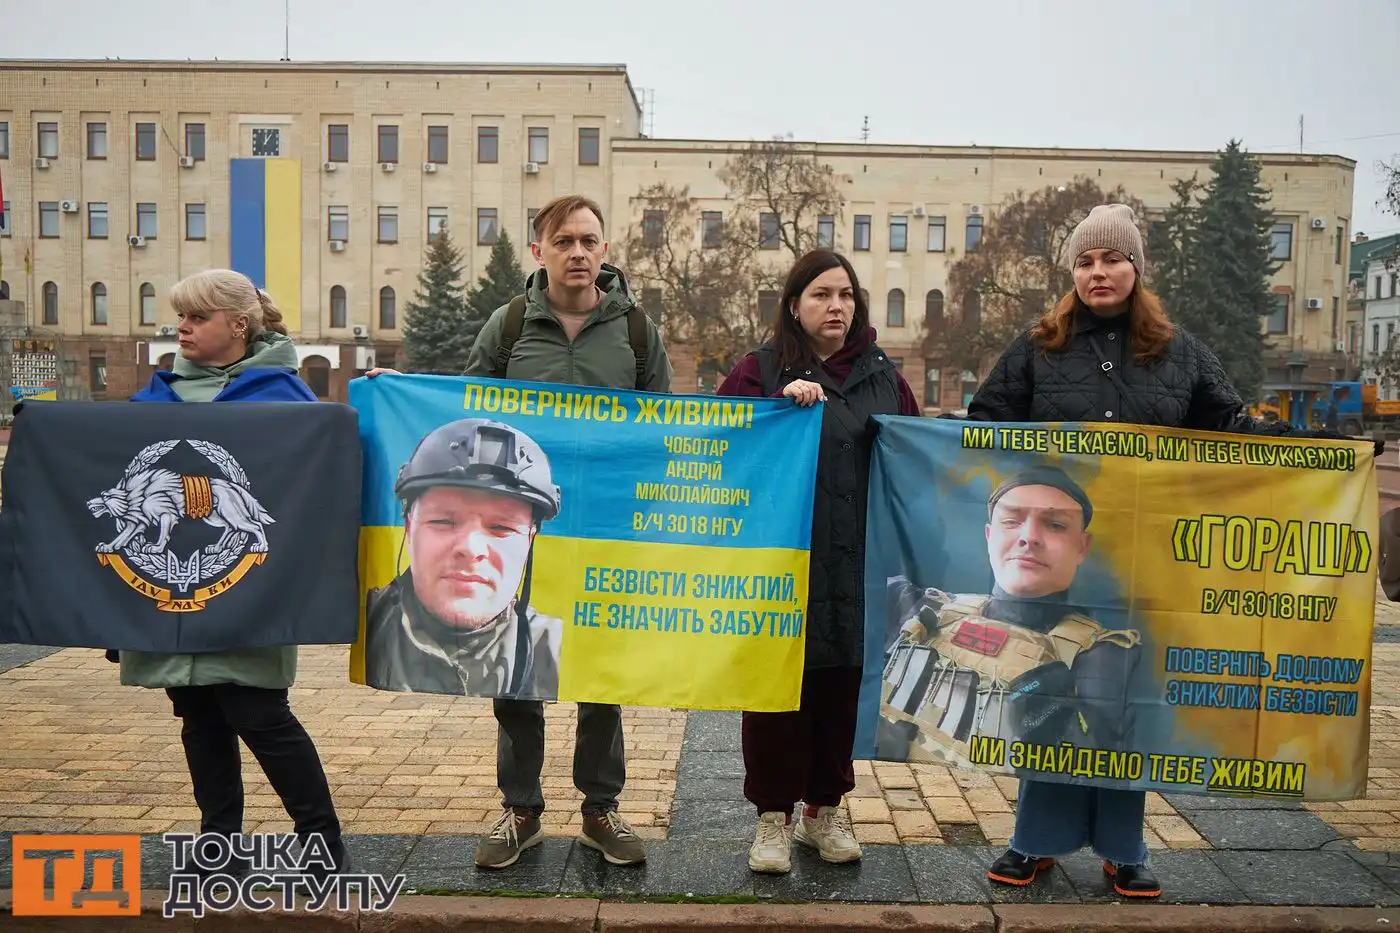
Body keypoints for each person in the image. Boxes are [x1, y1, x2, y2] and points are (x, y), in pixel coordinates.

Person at [959, 203, 1319, 899]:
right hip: (1063, 562)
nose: (1099, 272)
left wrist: (1317, 449)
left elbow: (1232, 428)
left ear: (1136, 267)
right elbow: (984, 424)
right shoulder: (1039, 345)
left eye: (1112, 259)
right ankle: (1034, 838)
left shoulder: (1178, 351)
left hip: (1147, 564)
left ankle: (1124, 848)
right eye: (1085, 262)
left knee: (1121, 705)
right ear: (1073, 273)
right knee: (1051, 693)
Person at [367, 193, 671, 870]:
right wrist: (400, 389)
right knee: (517, 668)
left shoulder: (636, 333)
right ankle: (522, 809)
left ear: (606, 250)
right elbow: (465, 413)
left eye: (590, 240)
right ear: (540, 251)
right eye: (564, 241)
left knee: (600, 669)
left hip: (604, 528)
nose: (579, 252)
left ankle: (601, 808)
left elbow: (663, 427)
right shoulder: (508, 328)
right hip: (520, 528)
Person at [120, 269, 350, 880]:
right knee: (199, 718)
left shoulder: (284, 396)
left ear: (239, 326)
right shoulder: (155, 399)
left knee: (260, 715)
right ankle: (218, 847)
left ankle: (322, 843)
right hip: (169, 594)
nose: (182, 328)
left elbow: (319, 483)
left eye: (197, 317)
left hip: (252, 595)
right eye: (180, 318)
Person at [717, 248, 921, 875]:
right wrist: (776, 409)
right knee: (778, 691)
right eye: (821, 296)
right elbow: (716, 443)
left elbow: (918, 457)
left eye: (846, 296)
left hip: (859, 565)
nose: (836, 307)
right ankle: (772, 818)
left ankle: (822, 813)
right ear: (794, 305)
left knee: (840, 690)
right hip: (781, 566)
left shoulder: (885, 375)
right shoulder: (760, 369)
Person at [878, 467, 1141, 771]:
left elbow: (1104, 766)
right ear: (989, 536)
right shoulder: (919, 606)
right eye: (1011, 522)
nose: (1029, 537)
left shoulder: (1101, 655)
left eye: (1055, 525)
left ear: (1082, 547)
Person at [363, 418, 564, 699]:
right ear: (409, 529)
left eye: (501, 528)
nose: (471, 548)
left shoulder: (562, 649)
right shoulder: (361, 622)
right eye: (444, 521)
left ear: (529, 541)